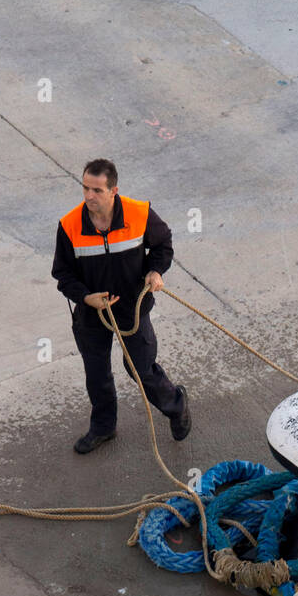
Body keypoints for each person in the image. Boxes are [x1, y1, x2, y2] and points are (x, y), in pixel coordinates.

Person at [51, 158, 191, 453]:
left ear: (114, 190)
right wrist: (86, 297)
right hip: (92, 313)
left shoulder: (139, 214)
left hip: (132, 309)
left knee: (140, 368)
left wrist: (155, 271)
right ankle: (103, 427)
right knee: (96, 372)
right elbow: (62, 274)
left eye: (97, 190)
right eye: (85, 188)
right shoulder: (70, 225)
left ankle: (175, 404)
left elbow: (163, 245)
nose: (89, 196)